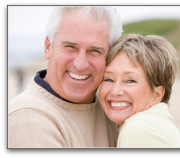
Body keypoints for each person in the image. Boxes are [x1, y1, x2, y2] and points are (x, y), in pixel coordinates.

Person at [8, 6, 122, 148]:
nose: (81, 65)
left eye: (95, 50)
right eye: (70, 47)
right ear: (48, 47)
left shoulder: (113, 106)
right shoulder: (26, 118)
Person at [99, 34, 180, 148]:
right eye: (108, 79)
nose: (115, 91)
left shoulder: (139, 127)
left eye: (130, 81)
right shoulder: (155, 123)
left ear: (157, 94)